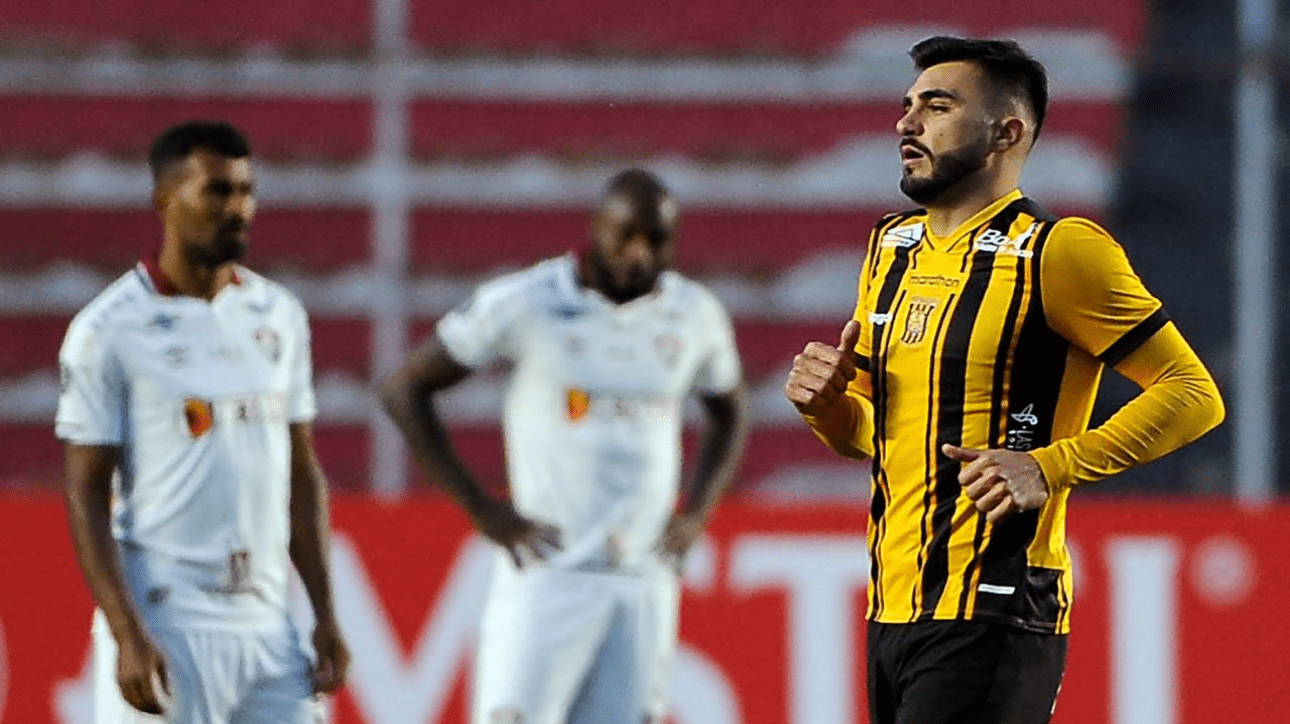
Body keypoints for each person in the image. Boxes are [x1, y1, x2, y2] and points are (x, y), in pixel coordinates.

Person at [784, 37, 1225, 724]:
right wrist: (826, 406)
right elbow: (870, 437)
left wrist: (1049, 466)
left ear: (1006, 132)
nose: (907, 123)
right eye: (908, 105)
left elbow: (1194, 395)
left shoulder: (1058, 251)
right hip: (893, 608)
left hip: (996, 606)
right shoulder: (891, 249)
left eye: (937, 107)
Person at [380, 168, 748, 724]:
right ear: (596, 226)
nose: (640, 254)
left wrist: (697, 513)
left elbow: (730, 411)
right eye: (625, 235)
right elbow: (405, 390)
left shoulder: (695, 314)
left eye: (656, 240)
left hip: (643, 573)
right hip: (550, 567)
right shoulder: (528, 301)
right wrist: (482, 509)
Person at [57, 119, 350, 723]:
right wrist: (126, 632)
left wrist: (325, 613)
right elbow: (85, 490)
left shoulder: (278, 314)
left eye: (246, 191)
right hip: (168, 623)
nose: (237, 208)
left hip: (267, 624)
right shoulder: (108, 329)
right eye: (217, 191)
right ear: (165, 199)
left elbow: (300, 472)